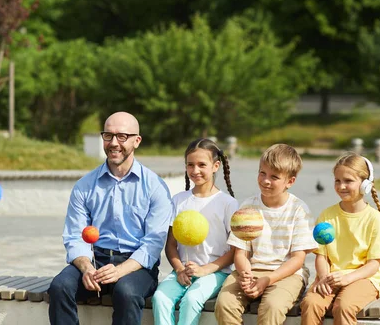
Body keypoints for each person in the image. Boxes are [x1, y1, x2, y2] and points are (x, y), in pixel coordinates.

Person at [48, 112, 173, 325]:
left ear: (137, 141)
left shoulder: (155, 187)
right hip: (95, 260)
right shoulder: (84, 186)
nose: (114, 143)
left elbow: (153, 244)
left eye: (122, 136)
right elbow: (74, 236)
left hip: (136, 266)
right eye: (108, 135)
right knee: (59, 287)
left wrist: (120, 270)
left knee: (127, 293)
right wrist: (86, 267)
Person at [215, 143, 318, 325]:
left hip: (287, 275)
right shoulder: (248, 206)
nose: (265, 180)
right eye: (262, 173)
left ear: (290, 181)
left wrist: (267, 280)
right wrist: (245, 275)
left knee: (272, 306)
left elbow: (297, 260)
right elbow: (240, 252)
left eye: (274, 177)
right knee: (225, 304)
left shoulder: (299, 209)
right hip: (251, 269)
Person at [300, 153, 380, 325]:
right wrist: (323, 277)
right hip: (329, 276)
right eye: (337, 180)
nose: (341, 186)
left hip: (364, 279)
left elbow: (373, 265)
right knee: (310, 303)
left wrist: (346, 279)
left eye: (348, 181)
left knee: (344, 306)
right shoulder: (326, 215)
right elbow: (321, 256)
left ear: (365, 185)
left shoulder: (375, 220)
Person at [152, 138, 239, 325]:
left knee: (191, 299)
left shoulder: (228, 204)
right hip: (182, 271)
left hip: (215, 272)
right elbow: (171, 245)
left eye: (202, 165)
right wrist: (179, 269)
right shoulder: (178, 201)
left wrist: (205, 269)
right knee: (160, 298)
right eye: (190, 165)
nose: (195, 170)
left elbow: (234, 251)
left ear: (216, 166)